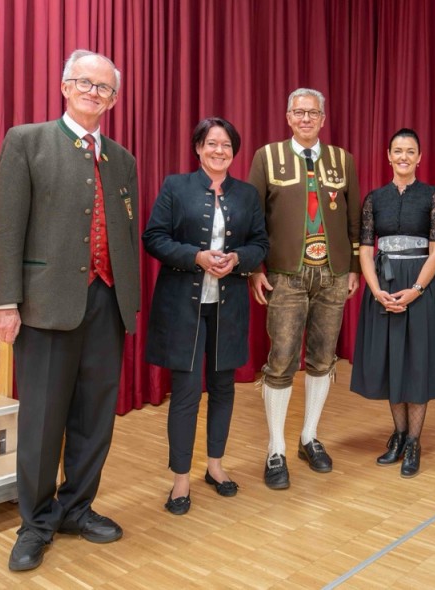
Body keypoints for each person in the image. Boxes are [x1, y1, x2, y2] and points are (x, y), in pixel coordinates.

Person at [0, 49, 139, 571]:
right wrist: (5, 302)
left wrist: (128, 303)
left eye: (104, 88)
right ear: (65, 86)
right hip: (46, 304)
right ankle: (35, 522)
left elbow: (124, 235)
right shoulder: (26, 142)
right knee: (42, 420)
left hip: (107, 303)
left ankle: (77, 508)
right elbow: (5, 229)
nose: (94, 93)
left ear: (114, 99)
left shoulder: (122, 160)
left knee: (94, 418)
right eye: (85, 83)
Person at [143, 118, 269, 515]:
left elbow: (260, 243)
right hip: (183, 305)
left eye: (226, 145)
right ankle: (180, 479)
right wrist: (195, 257)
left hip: (229, 305)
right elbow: (154, 238)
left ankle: (215, 466)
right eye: (211, 143)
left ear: (234, 151)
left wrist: (239, 258)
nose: (219, 151)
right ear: (198, 147)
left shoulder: (247, 194)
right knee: (185, 391)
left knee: (223, 387)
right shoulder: (175, 186)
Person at [247, 88, 360, 489]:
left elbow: (354, 218)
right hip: (285, 275)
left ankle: (309, 437)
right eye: (299, 112)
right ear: (288, 117)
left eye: (313, 113)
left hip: (333, 275)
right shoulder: (267, 156)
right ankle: (275, 448)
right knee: (280, 359)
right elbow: (252, 217)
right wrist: (254, 268)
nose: (306, 118)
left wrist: (353, 267)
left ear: (323, 119)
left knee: (323, 358)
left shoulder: (343, 160)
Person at [351, 128, 435, 478]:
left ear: (419, 158)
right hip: (384, 285)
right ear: (388, 156)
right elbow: (366, 250)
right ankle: (398, 435)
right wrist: (376, 289)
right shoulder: (374, 199)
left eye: (410, 151)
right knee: (393, 361)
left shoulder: (432, 196)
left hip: (420, 286)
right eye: (398, 150)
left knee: (417, 363)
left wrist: (417, 289)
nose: (404, 156)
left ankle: (414, 442)